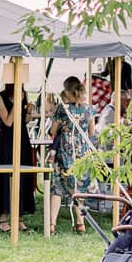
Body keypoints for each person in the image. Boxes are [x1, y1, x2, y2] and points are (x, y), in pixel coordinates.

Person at [0, 67, 37, 232]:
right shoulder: (0, 97)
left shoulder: (23, 95)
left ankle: (19, 218)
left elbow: (23, 120)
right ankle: (3, 218)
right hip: (8, 140)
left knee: (23, 175)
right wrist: (17, 102)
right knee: (6, 176)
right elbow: (8, 121)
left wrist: (29, 110)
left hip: (23, 138)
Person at [49, 76, 93, 234]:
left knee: (57, 188)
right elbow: (91, 132)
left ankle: (52, 224)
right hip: (82, 153)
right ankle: (81, 223)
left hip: (65, 151)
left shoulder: (63, 110)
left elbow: (52, 131)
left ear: (67, 91)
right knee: (79, 188)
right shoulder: (88, 109)